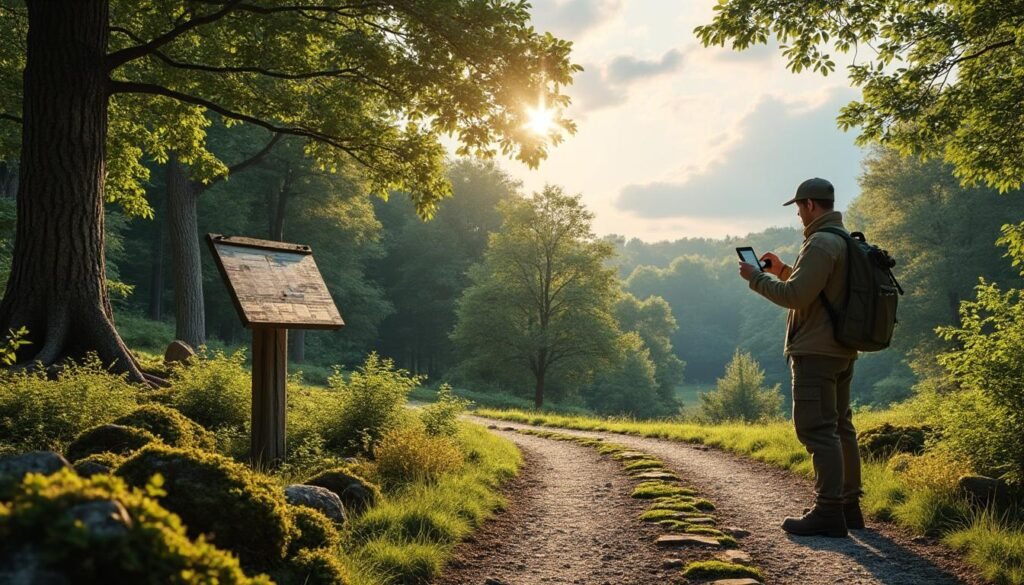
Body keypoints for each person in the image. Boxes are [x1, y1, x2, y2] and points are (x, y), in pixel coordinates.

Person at [737, 177, 862, 538]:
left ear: (809, 205)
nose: (797, 215)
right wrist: (781, 271)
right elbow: (818, 290)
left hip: (816, 352)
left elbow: (795, 297)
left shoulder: (820, 243)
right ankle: (848, 507)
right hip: (840, 348)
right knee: (840, 427)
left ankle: (827, 512)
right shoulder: (843, 241)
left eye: (797, 208)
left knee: (817, 430)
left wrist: (757, 278)